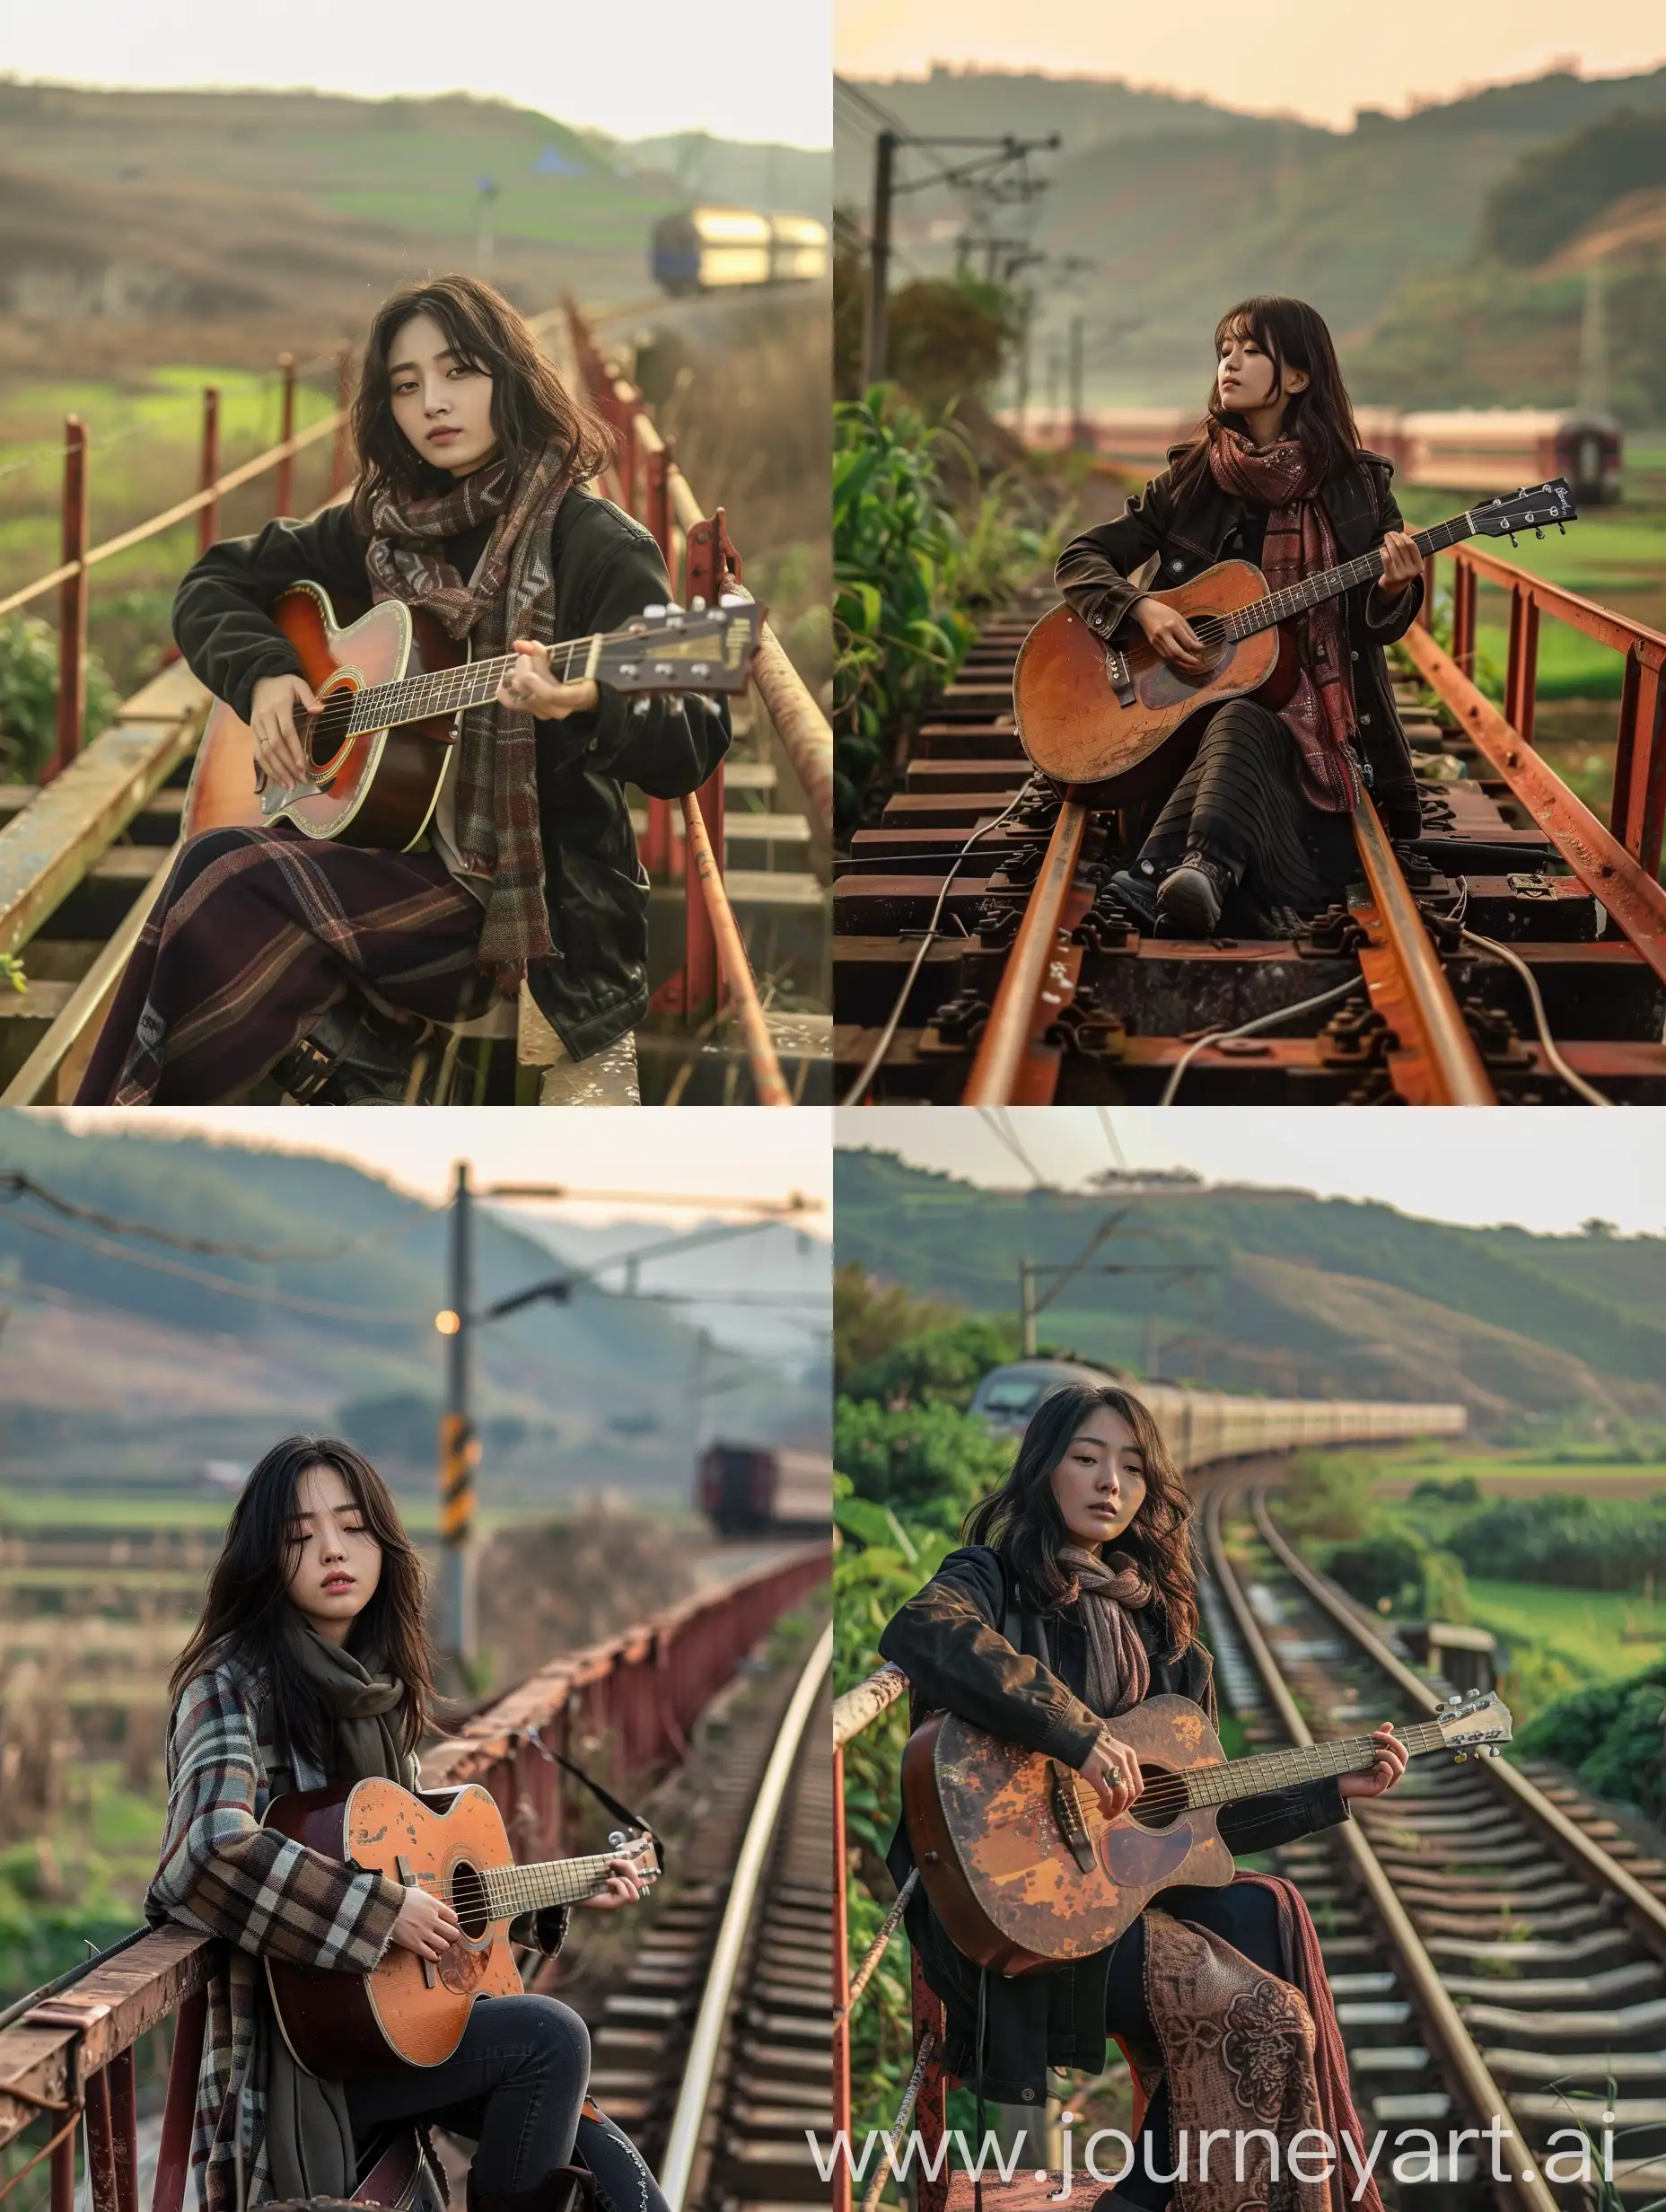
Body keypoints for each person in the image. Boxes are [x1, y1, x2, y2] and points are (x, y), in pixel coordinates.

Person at [79, 275, 730, 1106]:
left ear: (510, 377)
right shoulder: (379, 525)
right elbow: (213, 583)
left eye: (459, 372)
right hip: (378, 864)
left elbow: (692, 738)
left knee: (216, 876)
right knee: (211, 893)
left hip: (516, 917)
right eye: (407, 384)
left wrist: (590, 700)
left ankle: (116, 1118)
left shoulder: (592, 543)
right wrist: (270, 676)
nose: (434, 403)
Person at [878, 1382, 1407, 2212]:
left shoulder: (1166, 1635)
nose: (1109, 1483)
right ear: (1044, 1470)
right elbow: (922, 1631)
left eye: (1130, 1466)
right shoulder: (993, 1578)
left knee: (1263, 1917)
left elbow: (1197, 1821)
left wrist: (1326, 1789)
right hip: (1014, 1909)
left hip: (1113, 1903)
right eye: (1085, 1459)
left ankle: (1154, 2194)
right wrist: (1077, 1735)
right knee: (1267, 2020)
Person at [149, 1435, 669, 2212]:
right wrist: (377, 1912)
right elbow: (205, 1853)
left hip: (380, 2030)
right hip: (294, 2062)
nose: (332, 1549)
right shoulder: (230, 1685)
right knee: (550, 2040)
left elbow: (419, 1873)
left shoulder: (377, 1693)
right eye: (299, 1536)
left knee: (611, 2163)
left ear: (384, 1544)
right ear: (266, 1558)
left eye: (353, 1528)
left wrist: (564, 1888)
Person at [1054, 295, 1425, 940]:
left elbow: (1375, 630)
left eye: (1251, 351)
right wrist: (1140, 609)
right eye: (1225, 349)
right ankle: (1200, 869)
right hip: (1181, 737)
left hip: (1312, 739)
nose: (1230, 363)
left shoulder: (1359, 489)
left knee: (1247, 713)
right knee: (1235, 711)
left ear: (1300, 377)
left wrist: (1392, 589)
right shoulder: (1193, 478)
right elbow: (1081, 558)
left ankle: (1169, 876)